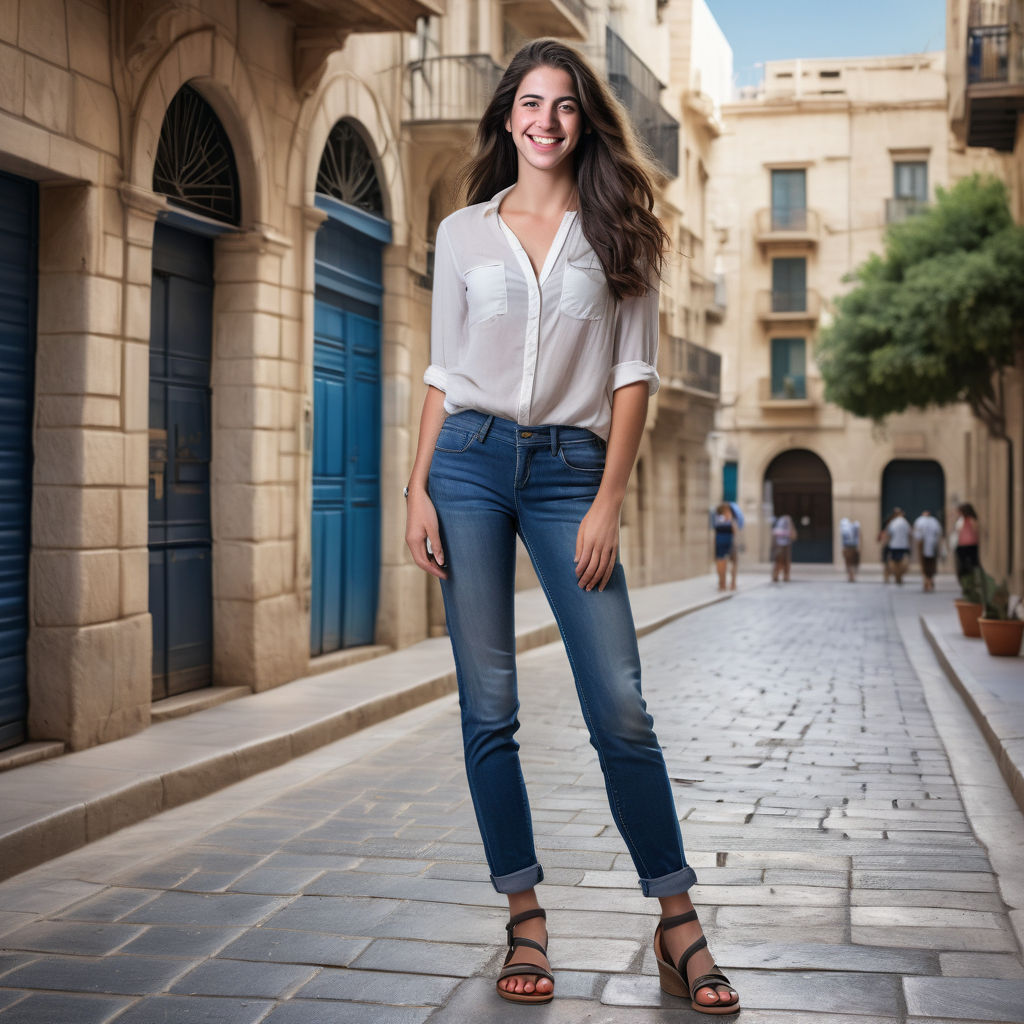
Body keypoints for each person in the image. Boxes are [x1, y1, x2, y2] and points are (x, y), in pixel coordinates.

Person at [404, 39, 739, 1015]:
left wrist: (607, 501)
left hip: (568, 475)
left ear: (581, 121)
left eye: (563, 106)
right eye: (529, 102)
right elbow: (441, 369)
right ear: (507, 114)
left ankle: (676, 920)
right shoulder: (463, 232)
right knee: (488, 706)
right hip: (464, 464)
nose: (544, 119)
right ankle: (525, 913)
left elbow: (633, 374)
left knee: (619, 706)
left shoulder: (618, 228)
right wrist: (417, 486)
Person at [913, 509, 943, 592]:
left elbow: (917, 534)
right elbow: (939, 532)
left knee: (926, 563)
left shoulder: (920, 521)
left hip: (925, 544)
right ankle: (928, 580)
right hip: (930, 544)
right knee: (930, 563)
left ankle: (927, 580)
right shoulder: (934, 521)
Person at [951, 502, 980, 578]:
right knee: (965, 564)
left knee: (970, 564)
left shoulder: (970, 520)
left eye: (960, 511)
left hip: (968, 544)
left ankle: (971, 580)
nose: (958, 513)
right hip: (964, 544)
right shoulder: (962, 520)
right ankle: (967, 580)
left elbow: (975, 530)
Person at [712, 503, 737, 591]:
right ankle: (722, 583)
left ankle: (722, 583)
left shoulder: (717, 518)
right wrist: (730, 520)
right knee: (722, 562)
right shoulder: (723, 519)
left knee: (722, 561)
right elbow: (734, 531)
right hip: (725, 542)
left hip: (721, 541)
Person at [884, 507, 912, 585]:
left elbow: (888, 534)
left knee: (894, 562)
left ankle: (896, 576)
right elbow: (910, 534)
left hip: (894, 545)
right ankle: (898, 577)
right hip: (903, 545)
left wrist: (887, 543)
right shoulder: (905, 523)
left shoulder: (892, 522)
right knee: (900, 562)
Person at [771, 513, 796, 582]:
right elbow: (774, 536)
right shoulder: (777, 524)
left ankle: (785, 575)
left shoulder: (789, 524)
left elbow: (793, 536)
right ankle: (776, 575)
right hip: (779, 545)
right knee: (778, 561)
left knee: (786, 561)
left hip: (786, 545)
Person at [840, 516, 861, 582]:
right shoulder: (854, 527)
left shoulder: (845, 530)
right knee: (852, 563)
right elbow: (857, 538)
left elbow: (843, 540)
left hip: (848, 547)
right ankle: (852, 576)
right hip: (853, 547)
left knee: (849, 563)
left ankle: (851, 576)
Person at [878, 511, 895, 583]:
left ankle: (887, 575)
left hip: (889, 545)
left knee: (889, 561)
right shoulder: (888, 526)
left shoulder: (892, 525)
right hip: (887, 545)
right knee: (886, 562)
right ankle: (886, 576)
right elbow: (881, 536)